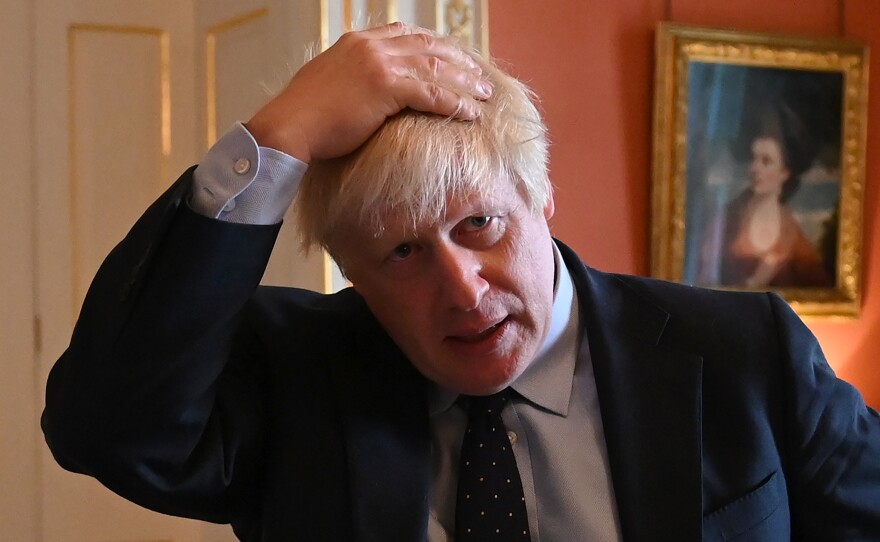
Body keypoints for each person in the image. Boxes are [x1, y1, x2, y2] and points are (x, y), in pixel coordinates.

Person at [42, 23, 880, 541]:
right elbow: (106, 427)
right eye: (402, 254)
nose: (465, 291)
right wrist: (278, 132)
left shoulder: (745, 355)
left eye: (481, 225)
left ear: (542, 194)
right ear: (349, 270)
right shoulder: (295, 377)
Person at [716, 125, 832, 288]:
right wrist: (757, 280)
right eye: (753, 158)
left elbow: (821, 288)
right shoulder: (728, 218)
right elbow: (702, 280)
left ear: (784, 172)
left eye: (766, 161)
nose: (755, 168)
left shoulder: (792, 235)